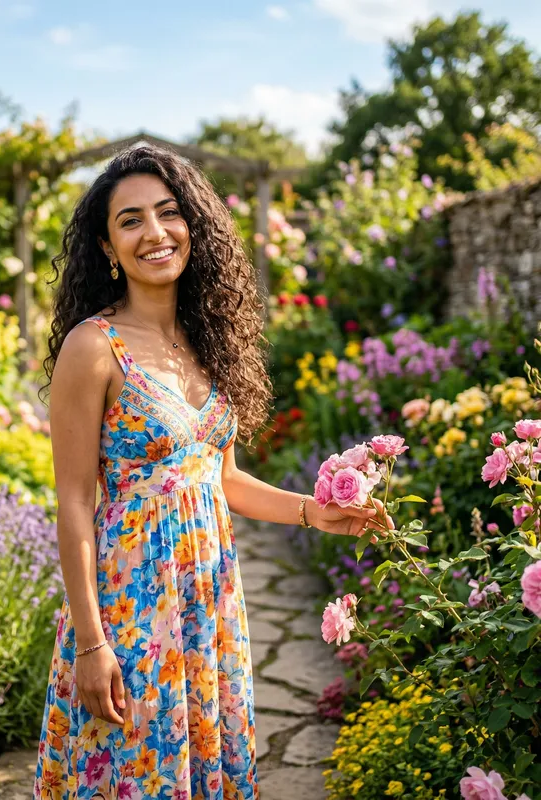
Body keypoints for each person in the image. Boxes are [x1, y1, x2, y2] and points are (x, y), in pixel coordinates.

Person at [34, 144, 390, 800]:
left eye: (169, 214)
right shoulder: (93, 347)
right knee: (134, 772)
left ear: (194, 228)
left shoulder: (208, 341)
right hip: (131, 603)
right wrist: (90, 641)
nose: (155, 232)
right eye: (131, 220)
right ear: (108, 247)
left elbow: (216, 478)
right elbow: (74, 505)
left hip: (210, 601)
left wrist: (315, 512)